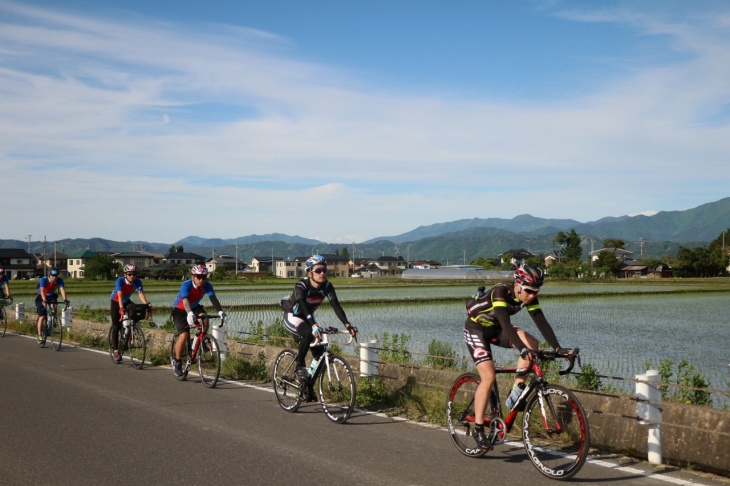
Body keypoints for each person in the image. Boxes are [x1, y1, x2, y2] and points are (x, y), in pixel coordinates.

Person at [463, 264, 574, 449]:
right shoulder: (500, 292)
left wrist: (558, 348)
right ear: (518, 284)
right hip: (476, 330)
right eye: (529, 291)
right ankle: (479, 428)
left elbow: (541, 321)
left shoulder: (529, 298)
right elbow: (506, 324)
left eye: (536, 292)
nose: (531, 296)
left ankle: (516, 391)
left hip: (496, 330)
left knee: (533, 344)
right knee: (488, 377)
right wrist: (522, 349)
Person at [280, 255, 358, 401]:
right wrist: (314, 326)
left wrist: (347, 325)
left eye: (324, 270)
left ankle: (309, 386)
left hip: (309, 317)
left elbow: (336, 306)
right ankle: (299, 366)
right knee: (309, 332)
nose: (323, 273)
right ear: (310, 272)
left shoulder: (327, 286)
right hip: (293, 315)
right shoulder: (301, 285)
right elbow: (302, 305)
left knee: (320, 354)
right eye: (318, 270)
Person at [170, 264, 226, 377]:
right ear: (193, 277)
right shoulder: (186, 285)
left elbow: (213, 298)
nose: (201, 279)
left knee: (204, 320)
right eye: (198, 277)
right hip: (180, 310)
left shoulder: (207, 285)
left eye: (203, 277)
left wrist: (220, 312)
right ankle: (178, 362)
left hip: (195, 307)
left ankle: (200, 341)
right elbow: (185, 301)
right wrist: (189, 313)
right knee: (184, 335)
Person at [109, 264, 150, 363]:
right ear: (125, 275)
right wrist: (121, 308)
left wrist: (146, 306)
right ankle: (116, 351)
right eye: (129, 274)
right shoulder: (120, 281)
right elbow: (119, 295)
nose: (132, 276)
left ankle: (127, 333)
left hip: (127, 300)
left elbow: (140, 293)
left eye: (134, 274)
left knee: (135, 311)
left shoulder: (137, 281)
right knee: (116, 326)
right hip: (116, 301)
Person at [35, 267, 69, 342]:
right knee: (42, 316)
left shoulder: (59, 280)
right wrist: (44, 300)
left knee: (54, 306)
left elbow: (62, 289)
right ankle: (39, 335)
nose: (55, 277)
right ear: (49, 275)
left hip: (51, 296)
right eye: (53, 275)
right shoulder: (44, 280)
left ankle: (52, 319)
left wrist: (65, 300)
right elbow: (42, 290)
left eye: (56, 275)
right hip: (41, 296)